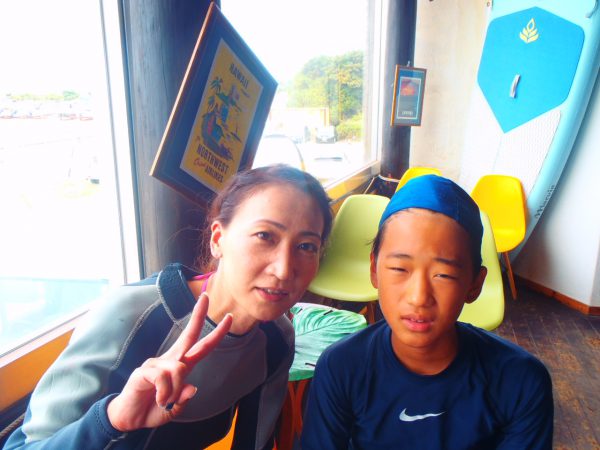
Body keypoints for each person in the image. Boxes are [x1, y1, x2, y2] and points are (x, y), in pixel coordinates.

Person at [4, 164, 333, 450]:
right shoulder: (133, 315)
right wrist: (111, 420)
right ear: (218, 239)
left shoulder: (276, 339)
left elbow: (254, 441)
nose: (283, 269)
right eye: (265, 236)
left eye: (306, 246)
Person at [301, 175, 553, 449]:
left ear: (474, 285)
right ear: (374, 270)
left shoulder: (520, 382)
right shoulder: (341, 368)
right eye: (399, 269)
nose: (419, 297)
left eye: (443, 274)